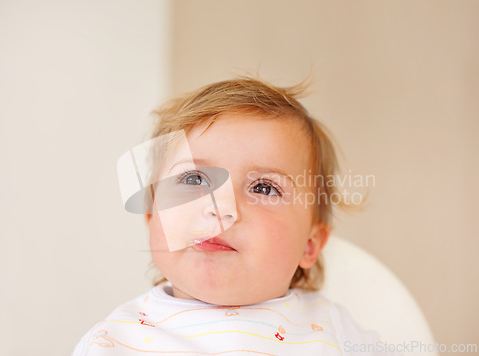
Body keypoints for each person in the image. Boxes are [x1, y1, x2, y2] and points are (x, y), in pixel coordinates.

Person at [72, 76, 394, 355]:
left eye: (264, 188)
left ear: (310, 245)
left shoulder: (334, 331)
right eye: (194, 179)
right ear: (152, 218)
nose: (220, 208)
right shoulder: (113, 341)